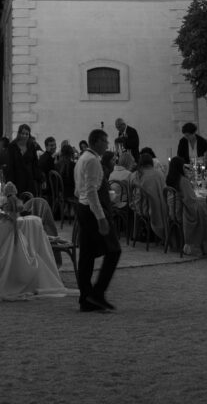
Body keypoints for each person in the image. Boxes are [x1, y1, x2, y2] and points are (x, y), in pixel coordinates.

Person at [74, 128, 121, 312]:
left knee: (86, 255)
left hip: (82, 208)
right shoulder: (93, 160)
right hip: (92, 210)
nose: (107, 145)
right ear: (96, 141)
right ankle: (97, 293)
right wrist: (101, 218)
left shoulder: (82, 158)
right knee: (114, 250)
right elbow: (91, 191)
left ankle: (85, 298)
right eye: (105, 141)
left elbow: (79, 189)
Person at [166, 156, 207, 256]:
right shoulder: (182, 180)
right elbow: (190, 200)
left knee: (202, 209)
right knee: (206, 213)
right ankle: (203, 245)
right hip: (180, 212)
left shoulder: (169, 179)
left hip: (172, 211)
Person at [131, 153, 168, 244]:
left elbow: (133, 194)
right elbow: (164, 191)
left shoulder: (135, 174)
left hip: (140, 206)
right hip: (156, 206)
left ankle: (136, 233)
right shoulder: (159, 174)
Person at [6, 124, 42, 196]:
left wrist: (40, 179)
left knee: (29, 200)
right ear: (19, 134)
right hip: (17, 177)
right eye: (23, 133)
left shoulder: (31, 146)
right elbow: (10, 165)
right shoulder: (12, 146)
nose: (25, 136)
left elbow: (35, 163)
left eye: (27, 134)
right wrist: (10, 181)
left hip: (29, 177)